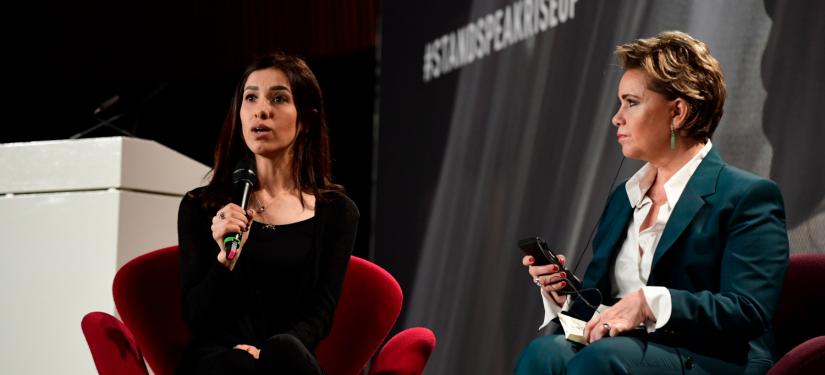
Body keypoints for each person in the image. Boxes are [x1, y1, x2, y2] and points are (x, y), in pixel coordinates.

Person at [515, 31, 789, 374]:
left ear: (678, 112)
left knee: (603, 359)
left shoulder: (748, 197)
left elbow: (747, 310)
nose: (617, 117)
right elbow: (600, 305)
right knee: (545, 353)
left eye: (631, 102)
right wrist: (566, 297)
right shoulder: (623, 198)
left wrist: (652, 304)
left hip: (711, 359)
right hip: (621, 353)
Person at [176, 52, 359, 375]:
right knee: (235, 365)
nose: (261, 110)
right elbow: (196, 318)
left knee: (284, 351)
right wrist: (224, 260)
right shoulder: (201, 206)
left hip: (286, 361)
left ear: (306, 119)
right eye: (250, 98)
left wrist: (266, 354)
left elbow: (321, 314)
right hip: (218, 361)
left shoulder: (337, 213)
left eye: (278, 98)